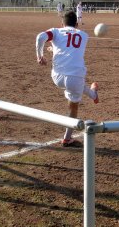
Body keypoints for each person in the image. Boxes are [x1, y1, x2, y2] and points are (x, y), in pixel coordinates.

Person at [35, 10, 99, 147]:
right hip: (75, 77)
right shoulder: (83, 35)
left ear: (61, 23)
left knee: (73, 86)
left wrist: (40, 56)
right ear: (76, 24)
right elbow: (72, 48)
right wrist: (54, 49)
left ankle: (93, 94)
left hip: (56, 77)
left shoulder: (56, 32)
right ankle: (67, 138)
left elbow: (40, 37)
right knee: (73, 104)